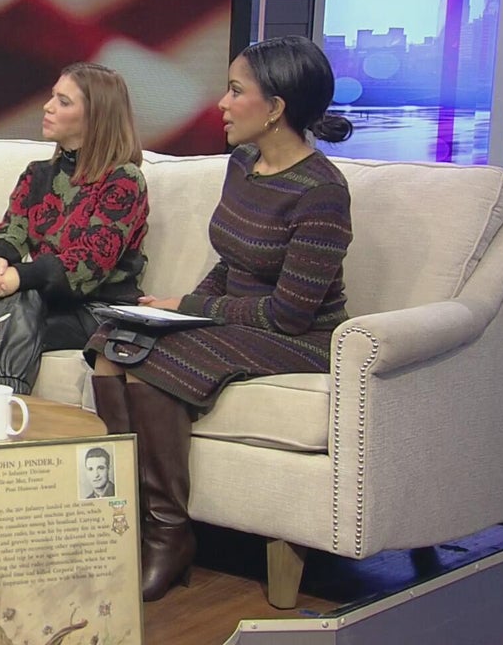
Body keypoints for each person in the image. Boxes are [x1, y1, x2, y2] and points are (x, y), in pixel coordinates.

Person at [85, 35, 354, 601]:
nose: (222, 104)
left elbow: (289, 313)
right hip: (241, 320)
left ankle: (169, 535)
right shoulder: (243, 163)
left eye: (235, 91)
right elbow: (231, 263)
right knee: (113, 344)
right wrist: (174, 307)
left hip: (302, 337)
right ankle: (122, 519)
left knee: (153, 363)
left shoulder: (322, 192)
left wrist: (189, 309)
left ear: (275, 108)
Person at [0, 63, 149, 394]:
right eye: (53, 96)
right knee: (5, 310)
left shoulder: (123, 180)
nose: (47, 106)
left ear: (96, 117)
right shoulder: (37, 174)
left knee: (10, 310)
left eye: (63, 101)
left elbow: (88, 264)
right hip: (44, 304)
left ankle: (0, 400)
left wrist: (19, 276)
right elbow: (12, 230)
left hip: (98, 310)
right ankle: (4, 400)